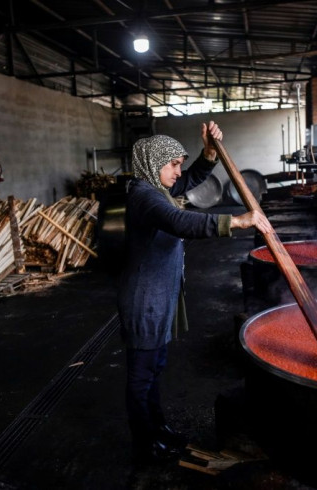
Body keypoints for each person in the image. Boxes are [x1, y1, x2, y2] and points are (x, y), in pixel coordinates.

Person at [117, 121, 273, 465]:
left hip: (158, 297)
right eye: (172, 164)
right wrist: (236, 221)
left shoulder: (158, 189)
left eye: (179, 163)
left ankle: (158, 428)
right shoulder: (145, 196)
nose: (178, 171)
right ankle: (144, 442)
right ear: (152, 162)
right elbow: (180, 222)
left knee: (154, 368)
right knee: (141, 376)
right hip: (144, 301)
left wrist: (208, 153)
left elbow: (190, 180)